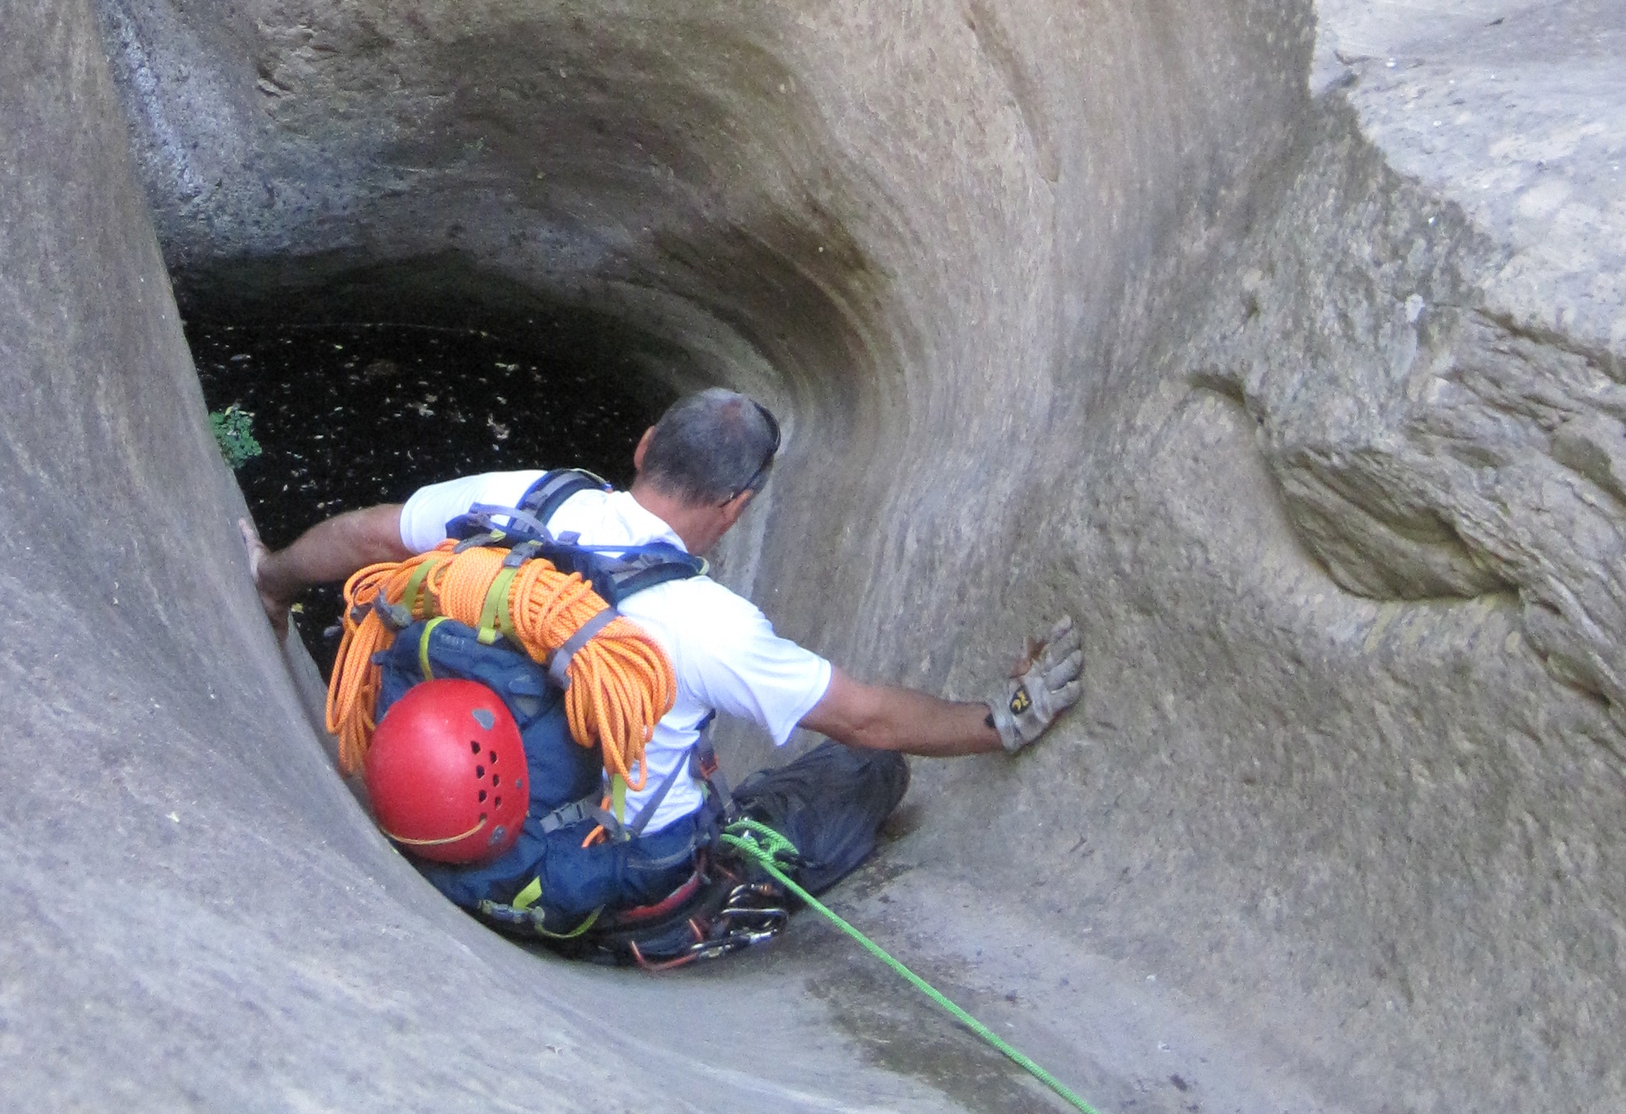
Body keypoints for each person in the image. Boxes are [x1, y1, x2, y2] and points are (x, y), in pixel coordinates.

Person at [251, 387, 1083, 965]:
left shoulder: (527, 499)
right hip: (603, 892)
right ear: (737, 505)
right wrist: (1004, 713)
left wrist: (276, 583)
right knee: (866, 771)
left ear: (644, 446)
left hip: (430, 816)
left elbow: (365, 538)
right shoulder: (708, 624)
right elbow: (867, 719)